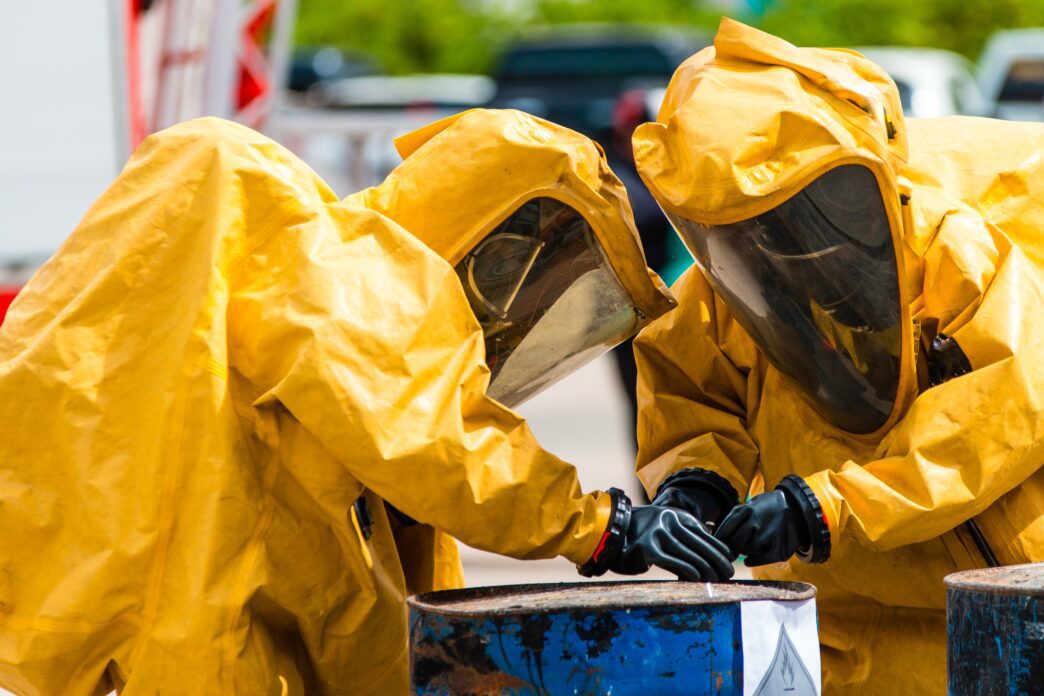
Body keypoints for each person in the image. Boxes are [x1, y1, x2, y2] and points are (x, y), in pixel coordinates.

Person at [0, 109, 737, 695]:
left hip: (204, 606)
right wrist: (600, 525)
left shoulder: (322, 275)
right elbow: (434, 442)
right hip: (210, 625)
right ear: (490, 229)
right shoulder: (344, 276)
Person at [632, 18, 1044, 694]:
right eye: (744, 228)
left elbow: (999, 416)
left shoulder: (948, 251)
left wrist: (821, 508)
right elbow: (691, 399)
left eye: (795, 214)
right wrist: (696, 487)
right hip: (847, 628)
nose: (776, 243)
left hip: (1009, 604)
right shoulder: (717, 292)